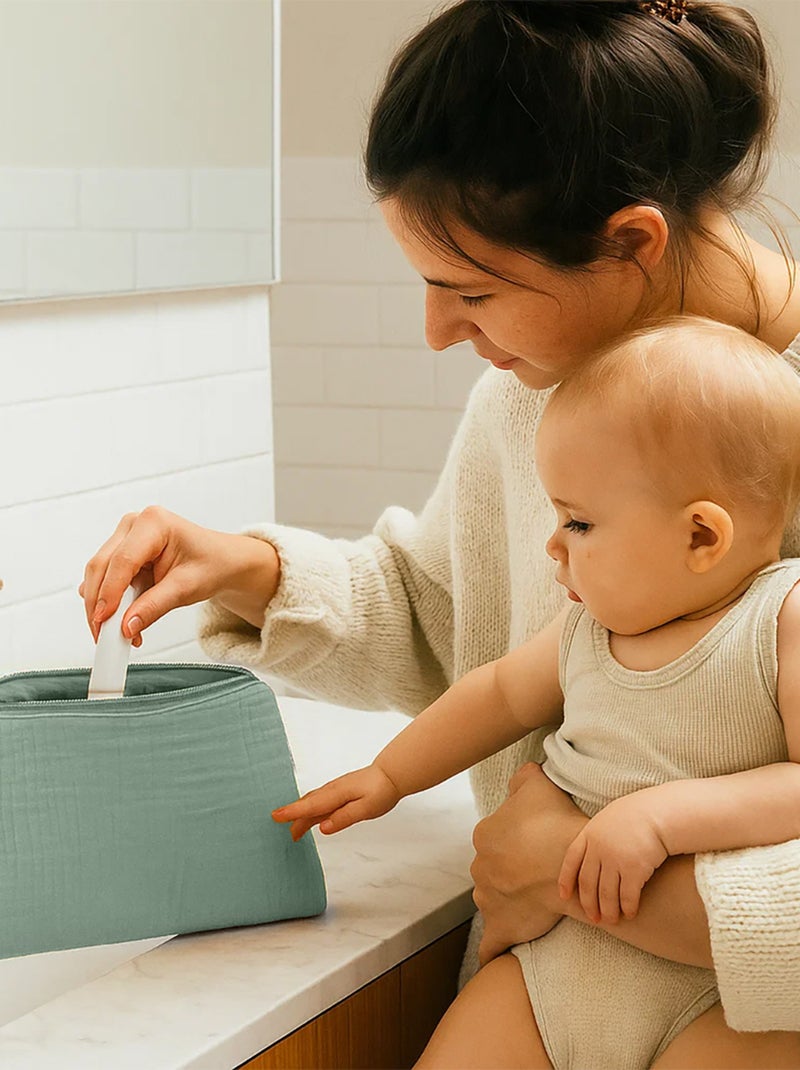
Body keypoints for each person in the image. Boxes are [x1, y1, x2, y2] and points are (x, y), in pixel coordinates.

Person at [79, 0, 800, 1063]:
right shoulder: (536, 399)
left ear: (630, 241)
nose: (436, 333)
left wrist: (569, 863)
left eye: (470, 290)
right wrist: (251, 571)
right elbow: (450, 622)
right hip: (553, 988)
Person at [271, 315, 800, 1068]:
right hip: (553, 968)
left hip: (717, 998)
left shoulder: (780, 619)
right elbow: (495, 695)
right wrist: (390, 774)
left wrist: (659, 819)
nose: (552, 545)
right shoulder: (586, 627)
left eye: (579, 521)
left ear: (701, 538)